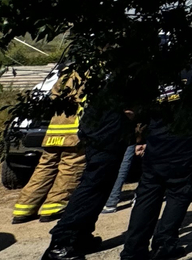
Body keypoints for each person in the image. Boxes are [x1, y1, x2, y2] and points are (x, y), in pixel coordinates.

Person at [120, 70, 192, 260]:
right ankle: (164, 244)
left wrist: (140, 138)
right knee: (179, 194)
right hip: (186, 147)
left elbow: (137, 112)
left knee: (146, 197)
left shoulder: (158, 75)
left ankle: (133, 250)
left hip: (157, 146)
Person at [41, 94, 136, 260]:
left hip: (103, 132)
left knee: (100, 189)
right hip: (105, 134)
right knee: (92, 188)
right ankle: (60, 243)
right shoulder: (120, 78)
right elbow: (127, 108)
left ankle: (80, 237)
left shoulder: (110, 77)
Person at [15, 68, 87, 224]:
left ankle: (24, 208)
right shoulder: (89, 75)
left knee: (45, 167)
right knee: (70, 168)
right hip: (73, 132)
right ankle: (54, 207)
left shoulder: (65, 74)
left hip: (54, 131)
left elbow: (53, 98)